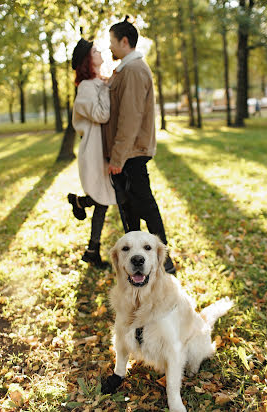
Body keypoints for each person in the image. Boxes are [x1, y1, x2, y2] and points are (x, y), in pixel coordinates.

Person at [102, 16, 176, 274]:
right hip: (128, 153)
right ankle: (139, 267)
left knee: (144, 205)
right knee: (131, 208)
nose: (109, 47)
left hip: (131, 153)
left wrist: (117, 157)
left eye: (111, 42)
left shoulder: (133, 70)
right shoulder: (125, 69)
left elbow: (130, 118)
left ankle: (164, 265)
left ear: (124, 41)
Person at [68, 38, 117, 268]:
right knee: (103, 198)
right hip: (93, 152)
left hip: (102, 150)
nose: (100, 51)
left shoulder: (98, 82)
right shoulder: (87, 87)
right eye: (95, 50)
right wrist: (107, 89)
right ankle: (92, 248)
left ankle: (91, 249)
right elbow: (101, 115)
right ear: (88, 59)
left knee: (103, 199)